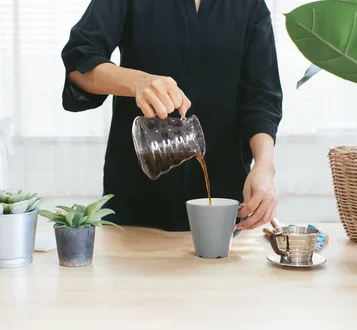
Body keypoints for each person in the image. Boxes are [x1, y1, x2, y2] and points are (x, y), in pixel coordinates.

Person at [61, 0, 282, 232]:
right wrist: (138, 82)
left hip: (222, 196)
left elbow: (261, 98)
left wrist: (265, 166)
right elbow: (80, 61)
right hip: (137, 191)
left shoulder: (250, 5)